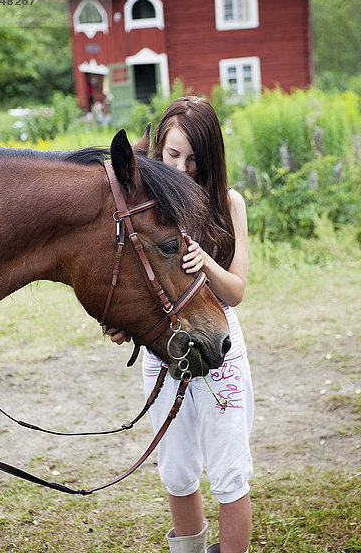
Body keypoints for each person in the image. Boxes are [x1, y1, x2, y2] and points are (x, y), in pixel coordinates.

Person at [105, 96, 253, 553]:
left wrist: (204, 260)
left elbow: (237, 291)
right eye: (172, 155)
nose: (182, 168)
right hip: (165, 356)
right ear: (159, 152)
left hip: (220, 357)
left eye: (194, 159)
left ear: (211, 158)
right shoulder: (151, 205)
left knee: (229, 473)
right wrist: (124, 325)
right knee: (177, 470)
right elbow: (145, 284)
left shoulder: (228, 202)